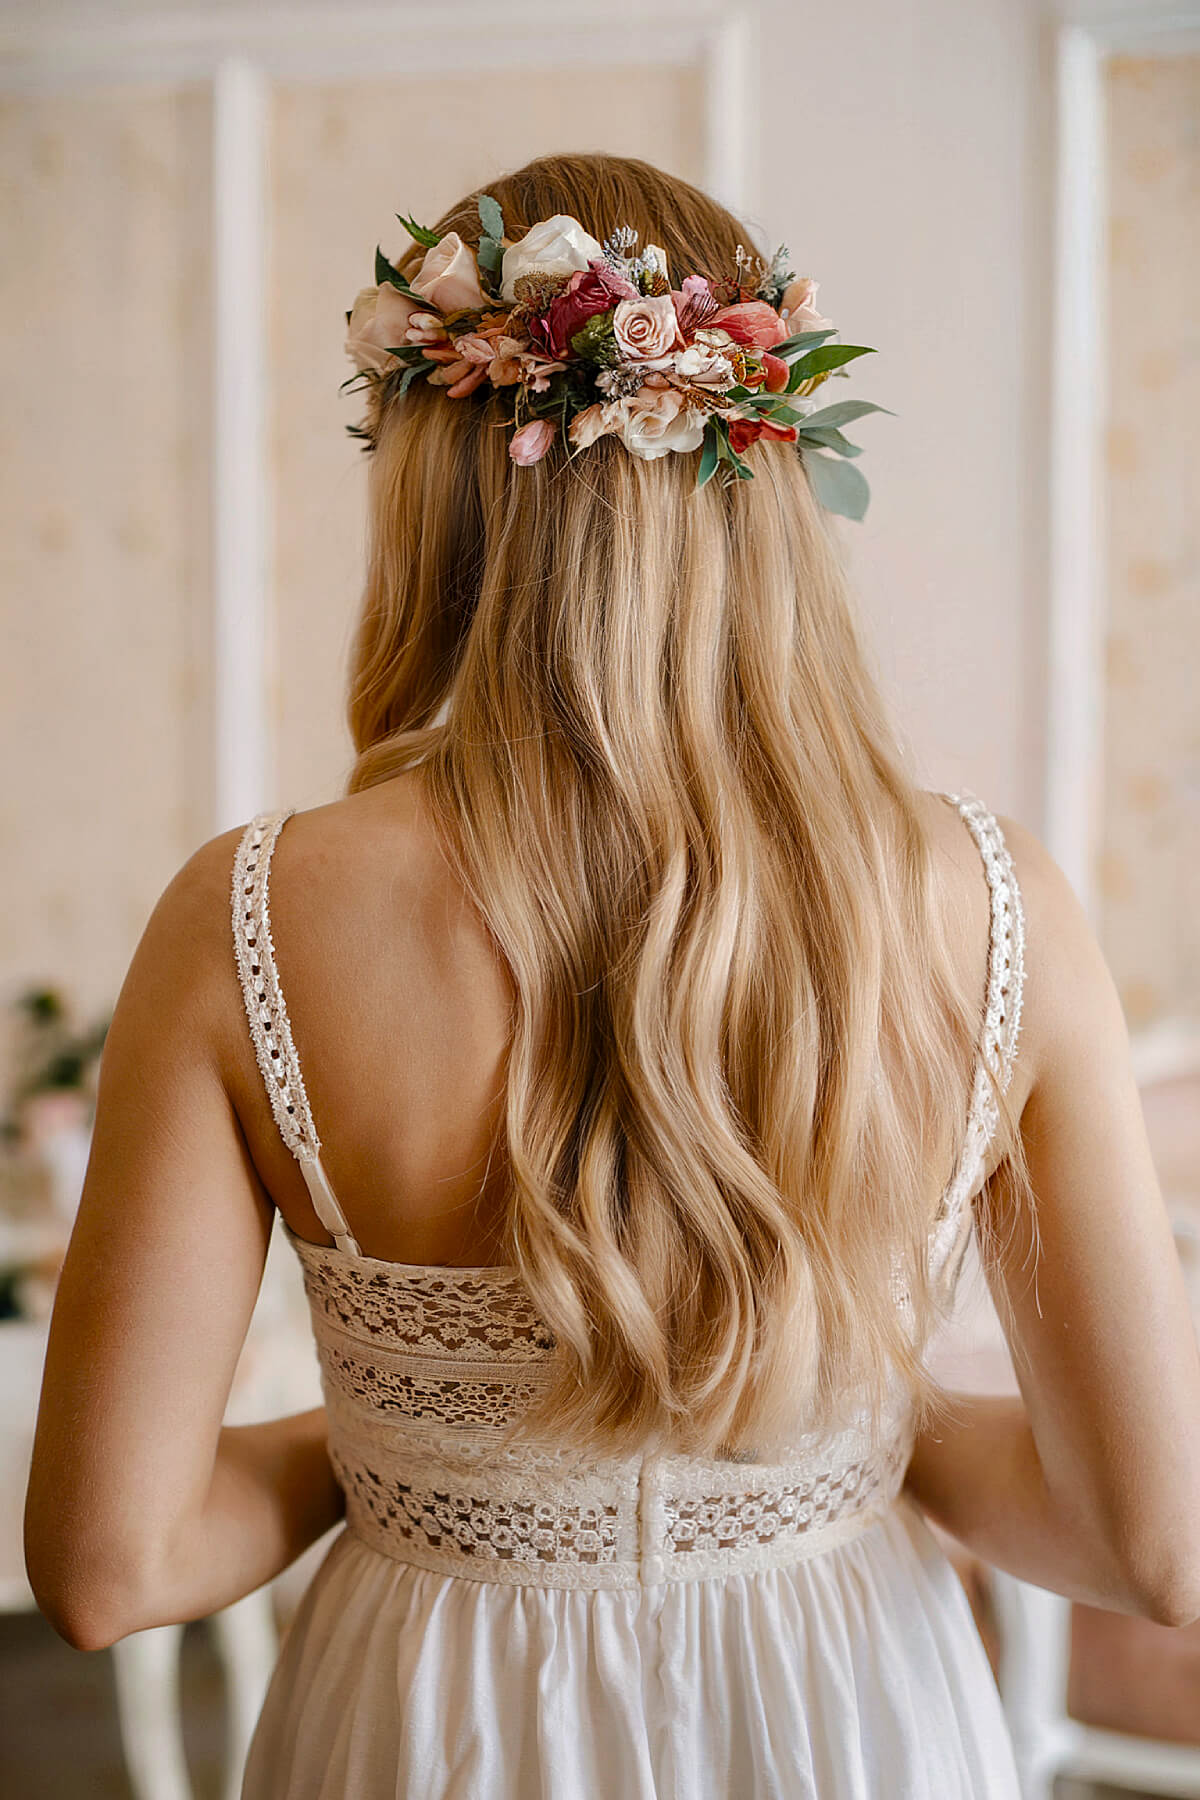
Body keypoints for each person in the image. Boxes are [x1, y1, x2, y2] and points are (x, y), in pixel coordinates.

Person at [24, 153, 1200, 1800]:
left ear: (434, 484)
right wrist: (849, 1423)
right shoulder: (993, 906)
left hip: (432, 1717)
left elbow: (110, 1569)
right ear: (775, 475)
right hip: (845, 1710)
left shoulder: (246, 916)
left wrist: (407, 1452)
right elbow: (1157, 1546)